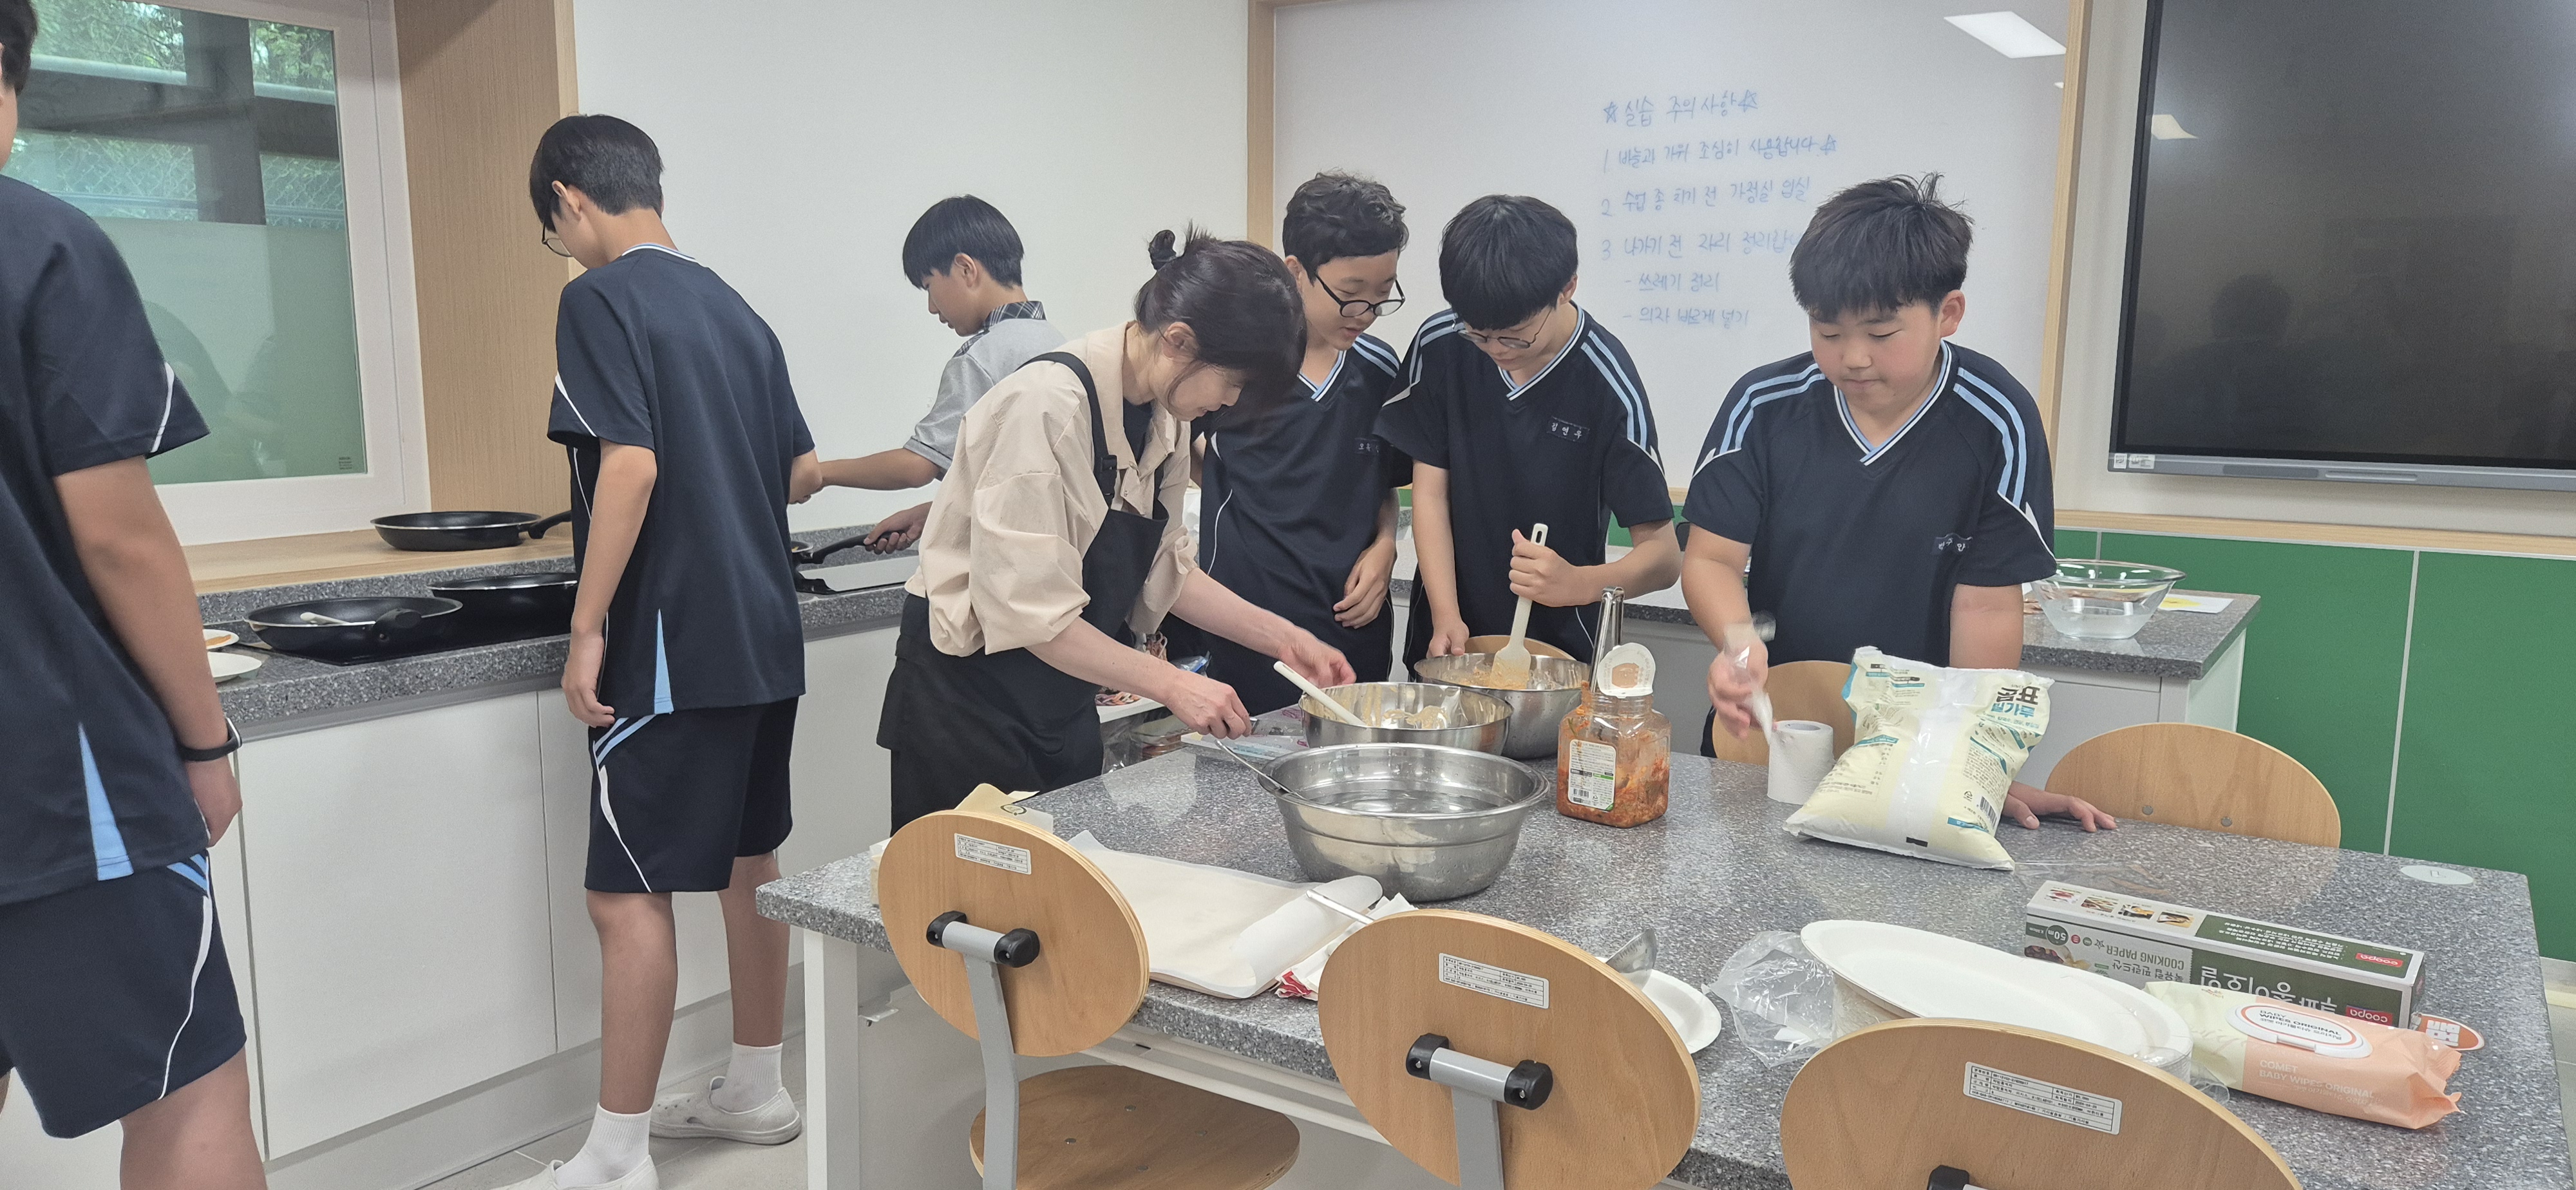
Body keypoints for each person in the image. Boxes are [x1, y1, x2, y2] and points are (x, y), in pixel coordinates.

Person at [520, 115, 823, 1190]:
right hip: (764, 636)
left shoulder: (600, 297)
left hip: (669, 641)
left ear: (571, 200)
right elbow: (798, 473)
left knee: (625, 895)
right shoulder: (738, 310)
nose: (566, 250)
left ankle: (615, 1159)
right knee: (748, 864)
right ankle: (757, 1087)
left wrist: (588, 625)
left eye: (556, 232)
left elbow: (632, 466)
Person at [0, 5, 265, 1184]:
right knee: (187, 1092)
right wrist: (204, 743)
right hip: (51, 778)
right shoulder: (37, 243)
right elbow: (118, 538)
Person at [880, 229, 1358, 831]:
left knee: (1071, 874)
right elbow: (1031, 615)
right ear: (1178, 341)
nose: (1231, 403)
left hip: (1057, 697)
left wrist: (1286, 640)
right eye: (1232, 385)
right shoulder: (1047, 407)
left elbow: (1165, 566)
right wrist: (1172, 685)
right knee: (965, 884)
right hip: (966, 705)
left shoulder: (1166, 412)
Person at [1683, 175, 2112, 831]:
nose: (1852, 358)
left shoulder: (1996, 420)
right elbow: (1711, 559)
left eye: (1882, 333)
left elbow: (1986, 604)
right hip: (1775, 727)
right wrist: (1738, 646)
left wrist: (1974, 765)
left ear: (1948, 314)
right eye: (1827, 331)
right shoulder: (1763, 407)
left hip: (1917, 754)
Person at [1378, 194, 1683, 666]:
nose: (1495, 349)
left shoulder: (1606, 383)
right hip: (1448, 637)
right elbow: (1430, 494)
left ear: (1567, 288)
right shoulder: (1442, 345)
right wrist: (1445, 615)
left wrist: (1577, 583)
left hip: (1561, 655)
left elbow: (1663, 559)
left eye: (1515, 335)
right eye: (1479, 333)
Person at [1193, 172, 1410, 712]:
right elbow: (1178, 451)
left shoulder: (1380, 370)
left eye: (1382, 296)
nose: (1366, 314)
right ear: (1295, 272)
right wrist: (1226, 480)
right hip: (1251, 639)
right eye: (1350, 296)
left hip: (1355, 636)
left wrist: (1386, 546)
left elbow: (1382, 483)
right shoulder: (1241, 366)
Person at [804, 196, 1061, 552]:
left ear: (966, 269)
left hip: (1003, 564)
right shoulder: (1060, 344)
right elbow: (1024, 482)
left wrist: (819, 474)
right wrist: (933, 512)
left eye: (929, 286)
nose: (931, 307)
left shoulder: (981, 358)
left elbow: (917, 466)